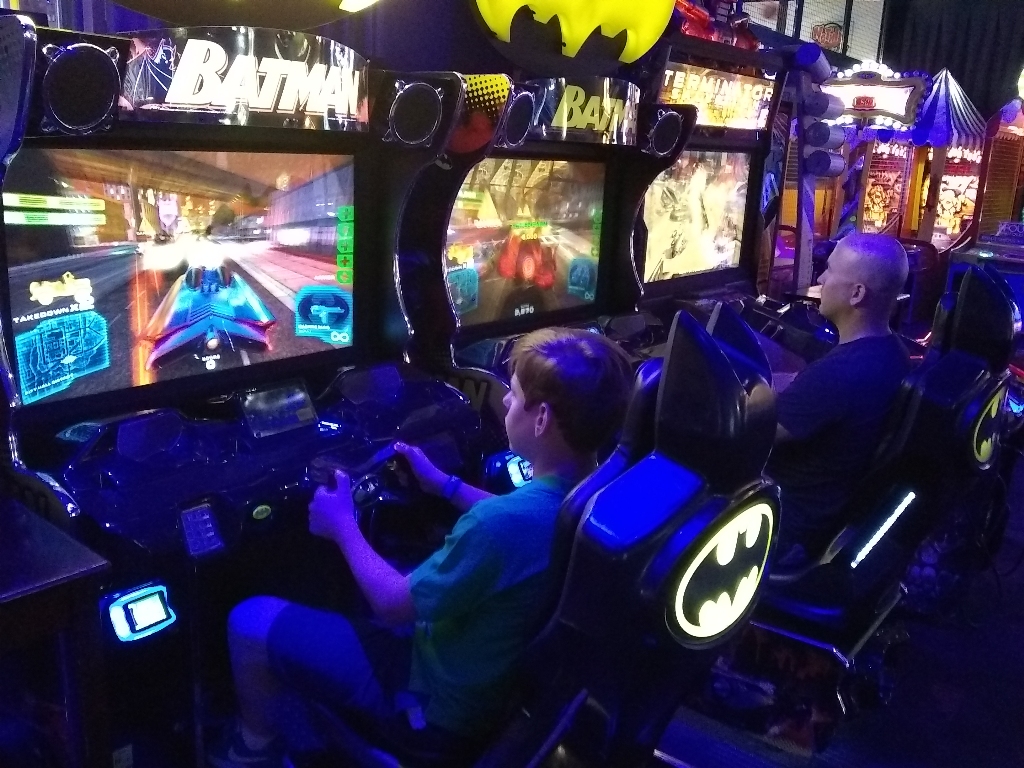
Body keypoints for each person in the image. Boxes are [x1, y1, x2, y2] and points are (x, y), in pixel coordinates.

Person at [208, 328, 634, 768]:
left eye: (515, 394)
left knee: (248, 620)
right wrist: (443, 484)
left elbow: (394, 604)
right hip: (497, 687)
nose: (505, 400)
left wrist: (342, 526)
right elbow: (530, 519)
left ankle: (251, 747)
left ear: (541, 419)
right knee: (397, 564)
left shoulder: (499, 524)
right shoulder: (599, 490)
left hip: (435, 706)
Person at [767, 233, 912, 561]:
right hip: (831, 511)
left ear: (856, 293)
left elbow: (758, 431)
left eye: (830, 271)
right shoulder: (894, 352)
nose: (821, 279)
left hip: (787, 522)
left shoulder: (839, 374)